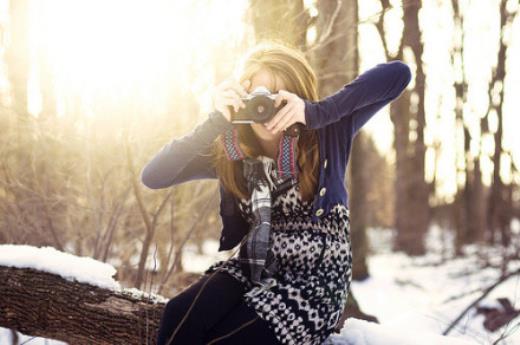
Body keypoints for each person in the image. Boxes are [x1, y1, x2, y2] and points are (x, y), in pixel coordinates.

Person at [141, 40, 412, 345]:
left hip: (314, 285)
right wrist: (216, 120)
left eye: (280, 97)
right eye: (258, 97)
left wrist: (316, 113)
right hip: (253, 267)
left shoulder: (326, 134)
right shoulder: (231, 151)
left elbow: (398, 75)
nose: (267, 109)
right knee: (179, 314)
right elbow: (153, 176)